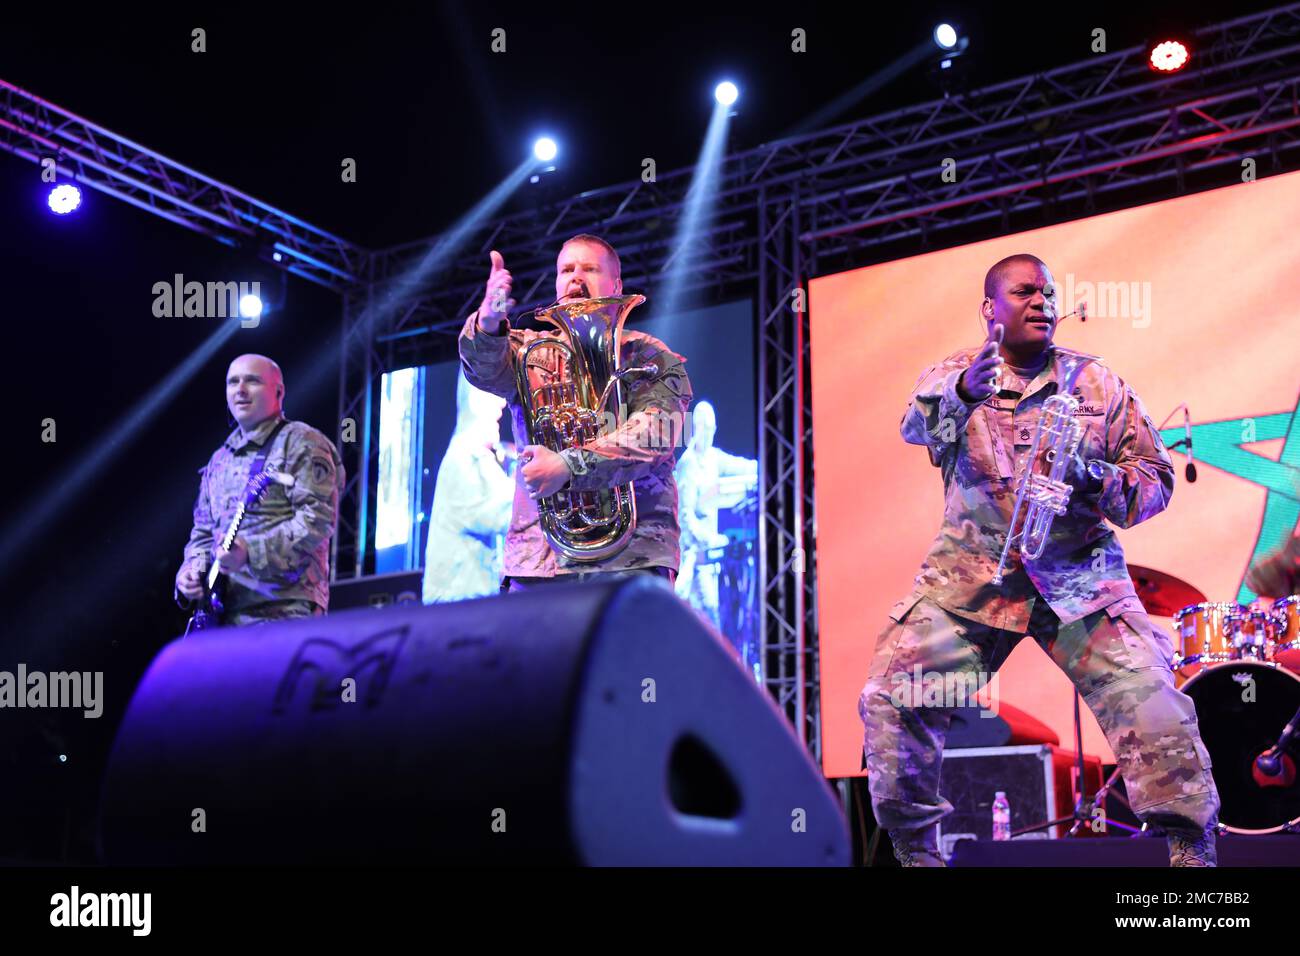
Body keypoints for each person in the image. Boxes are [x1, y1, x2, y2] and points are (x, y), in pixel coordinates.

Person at [858, 254, 1220, 866]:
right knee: (893, 696)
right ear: (989, 309)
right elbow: (913, 428)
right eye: (1025, 291)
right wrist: (962, 393)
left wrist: (1091, 475)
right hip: (971, 584)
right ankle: (916, 855)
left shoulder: (1097, 383)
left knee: (1157, 705)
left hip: (1081, 583)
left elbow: (1153, 484)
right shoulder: (956, 375)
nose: (1042, 302)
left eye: (1050, 293)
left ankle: (1192, 858)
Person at [458, 235, 692, 590]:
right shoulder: (528, 351)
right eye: (566, 269)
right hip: (538, 561)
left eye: (590, 268)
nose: (576, 278)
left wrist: (567, 466)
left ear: (616, 284)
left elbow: (656, 433)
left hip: (632, 558)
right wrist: (489, 319)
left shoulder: (648, 355)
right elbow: (482, 370)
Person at [175, 353, 344, 625]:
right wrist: (191, 570)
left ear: (278, 391)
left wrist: (250, 552)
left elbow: (317, 522)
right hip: (221, 617)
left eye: (252, 381)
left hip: (283, 610)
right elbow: (203, 534)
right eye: (233, 382)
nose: (240, 390)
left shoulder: (302, 442)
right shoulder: (219, 459)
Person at [422, 370, 516, 603]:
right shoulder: (464, 458)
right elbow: (502, 516)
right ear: (475, 401)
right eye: (493, 397)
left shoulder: (474, 457)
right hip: (455, 604)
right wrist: (530, 477)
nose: (502, 404)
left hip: (466, 600)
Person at [674, 400, 757, 630]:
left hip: (709, 554)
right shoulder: (688, 464)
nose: (709, 434)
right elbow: (685, 515)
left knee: (711, 613)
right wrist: (706, 539)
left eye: (712, 429)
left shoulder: (713, 458)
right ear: (697, 429)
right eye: (705, 428)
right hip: (694, 553)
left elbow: (742, 466)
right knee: (707, 612)